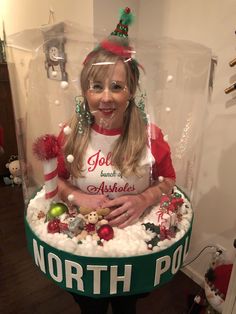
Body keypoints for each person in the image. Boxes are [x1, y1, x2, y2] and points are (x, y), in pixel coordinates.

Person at [57, 7, 176, 314]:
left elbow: (169, 180)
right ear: (85, 91)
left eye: (117, 87)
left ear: (131, 91)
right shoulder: (70, 134)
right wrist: (76, 195)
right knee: (90, 307)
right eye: (97, 87)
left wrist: (144, 197)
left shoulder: (150, 135)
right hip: (83, 248)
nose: (106, 98)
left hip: (132, 251)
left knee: (126, 307)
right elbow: (54, 181)